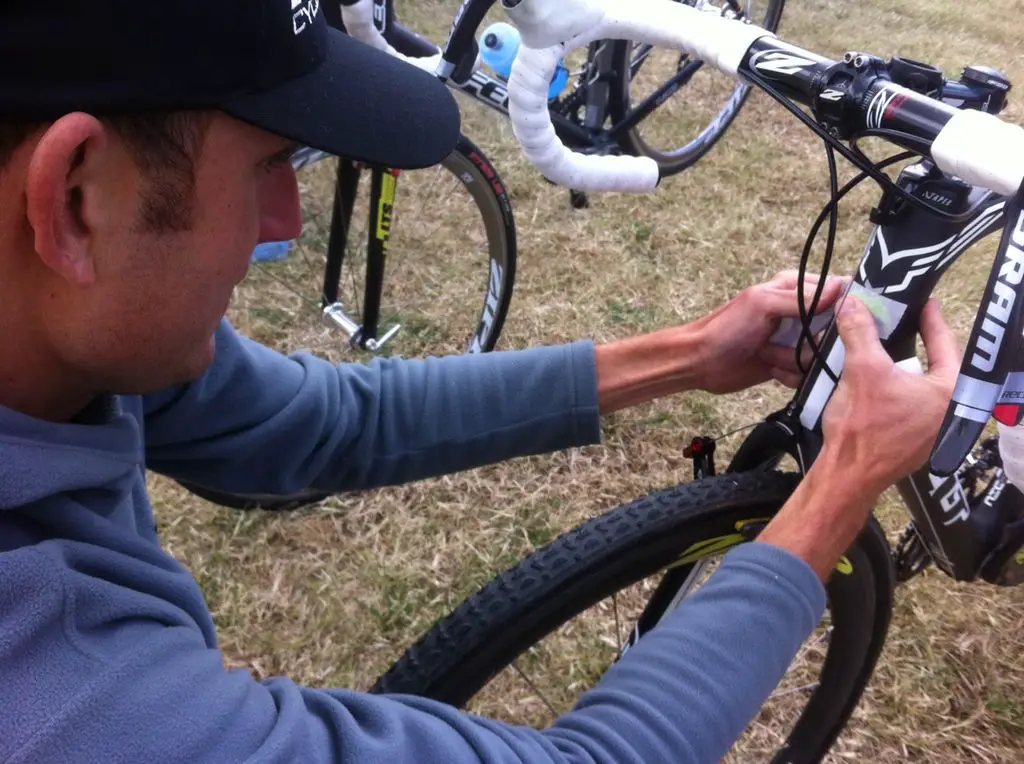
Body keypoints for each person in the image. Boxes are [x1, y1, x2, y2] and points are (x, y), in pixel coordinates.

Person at [0, 2, 959, 762]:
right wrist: (847, 477)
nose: (282, 221)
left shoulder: (61, 339)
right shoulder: (58, 696)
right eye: (265, 164)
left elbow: (310, 426)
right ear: (74, 199)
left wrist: (691, 352)